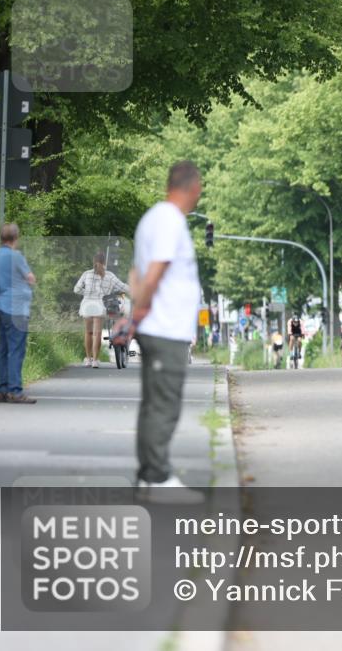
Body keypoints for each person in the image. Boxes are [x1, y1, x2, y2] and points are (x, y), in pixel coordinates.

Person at [127, 160, 205, 501]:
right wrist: (140, 311)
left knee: (153, 404)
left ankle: (149, 476)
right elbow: (155, 271)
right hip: (165, 328)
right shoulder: (170, 220)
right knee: (164, 406)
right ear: (194, 188)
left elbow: (135, 272)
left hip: (160, 326)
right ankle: (157, 478)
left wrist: (137, 313)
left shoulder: (152, 219)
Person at [0, 223, 37, 403]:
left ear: (1, 237)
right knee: (16, 350)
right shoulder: (16, 256)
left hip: (1, 305)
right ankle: (16, 391)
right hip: (16, 308)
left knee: (3, 349)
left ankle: (1, 390)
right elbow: (30, 278)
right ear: (16, 238)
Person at [74, 251, 130, 368]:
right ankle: (95, 360)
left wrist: (87, 293)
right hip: (100, 305)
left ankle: (88, 360)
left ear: (93, 261)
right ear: (104, 262)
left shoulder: (86, 274)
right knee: (97, 334)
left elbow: (76, 289)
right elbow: (123, 287)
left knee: (88, 333)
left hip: (87, 305)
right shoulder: (109, 276)